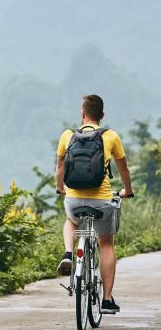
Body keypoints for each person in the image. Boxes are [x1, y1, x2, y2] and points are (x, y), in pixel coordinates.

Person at [55, 94, 134, 314]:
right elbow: (124, 170)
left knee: (71, 221)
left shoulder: (67, 135)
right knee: (106, 243)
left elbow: (60, 167)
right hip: (101, 202)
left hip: (74, 199)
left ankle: (69, 253)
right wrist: (127, 190)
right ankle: (107, 300)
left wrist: (60, 188)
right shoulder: (111, 136)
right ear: (102, 115)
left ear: (82, 114)